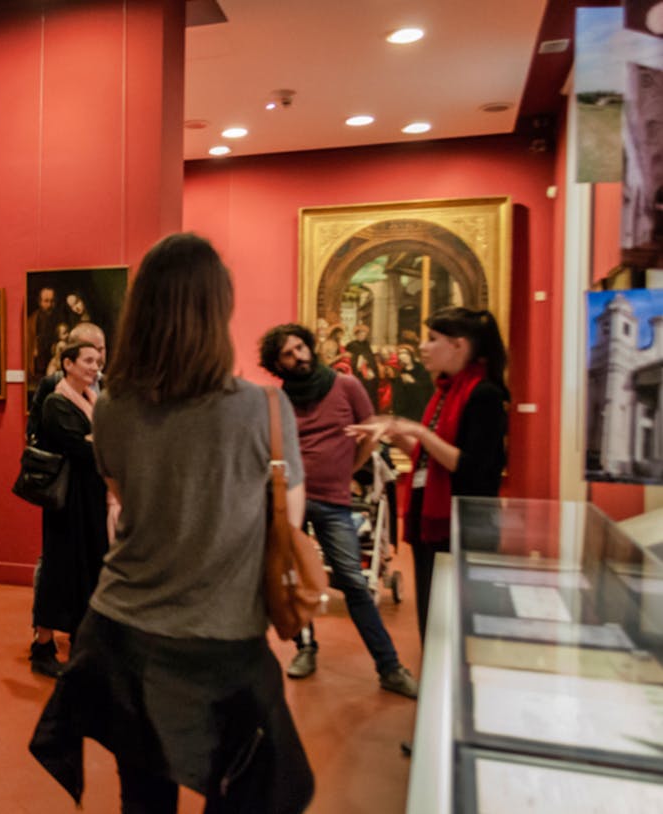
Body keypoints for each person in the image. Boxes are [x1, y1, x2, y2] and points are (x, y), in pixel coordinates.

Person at [31, 233, 313, 813]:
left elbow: (126, 500)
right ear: (220, 309)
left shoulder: (113, 407)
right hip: (224, 640)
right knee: (242, 792)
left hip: (122, 635)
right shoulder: (265, 409)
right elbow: (286, 522)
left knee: (144, 799)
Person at [258, 324, 418, 698]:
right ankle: (305, 647)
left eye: (300, 347)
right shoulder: (281, 400)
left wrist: (346, 472)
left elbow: (370, 435)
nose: (298, 356)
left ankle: (389, 667)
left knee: (353, 581)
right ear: (277, 364)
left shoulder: (347, 386)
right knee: (290, 579)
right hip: (291, 502)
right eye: (288, 353)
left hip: (333, 501)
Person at [347, 307, 509, 642]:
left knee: (456, 622)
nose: (423, 347)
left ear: (459, 346)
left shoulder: (484, 396)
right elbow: (427, 459)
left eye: (432, 339)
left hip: (461, 526)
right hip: (430, 523)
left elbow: (468, 466)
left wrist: (417, 432)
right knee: (432, 617)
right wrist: (393, 432)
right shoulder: (444, 392)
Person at [29, 341, 109, 678]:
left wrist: (97, 440)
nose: (95, 367)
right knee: (59, 572)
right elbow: (84, 450)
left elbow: (100, 443)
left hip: (90, 500)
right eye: (88, 361)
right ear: (68, 364)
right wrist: (98, 441)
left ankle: (81, 642)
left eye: (97, 361)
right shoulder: (56, 403)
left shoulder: (91, 400)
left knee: (88, 569)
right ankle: (43, 647)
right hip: (68, 503)